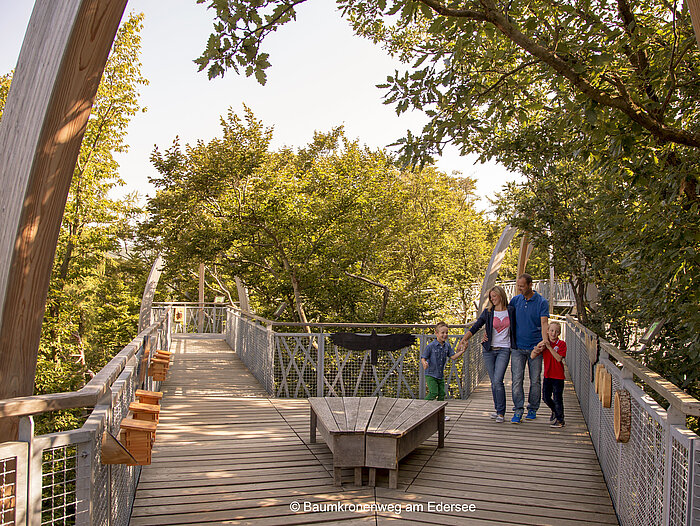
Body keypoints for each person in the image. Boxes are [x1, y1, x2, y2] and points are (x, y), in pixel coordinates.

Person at [456, 286, 515, 423]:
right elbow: (476, 326)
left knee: (497, 380)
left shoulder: (511, 310)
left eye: (494, 296)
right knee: (493, 382)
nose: (492, 299)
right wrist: (464, 339)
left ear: (501, 295)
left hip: (504, 349)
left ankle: (501, 412)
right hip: (489, 350)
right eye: (491, 297)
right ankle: (498, 409)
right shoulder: (488, 312)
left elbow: (520, 326)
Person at [509, 273, 550, 424]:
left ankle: (533, 408)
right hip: (518, 347)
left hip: (535, 348)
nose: (519, 289)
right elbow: (504, 318)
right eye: (518, 286)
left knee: (535, 380)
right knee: (516, 380)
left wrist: (544, 342)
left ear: (530, 285)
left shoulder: (541, 302)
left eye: (522, 286)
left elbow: (544, 323)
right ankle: (518, 410)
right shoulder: (515, 301)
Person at [421, 321, 466, 420]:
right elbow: (423, 357)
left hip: (440, 375)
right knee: (433, 393)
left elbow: (453, 357)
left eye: (446, 333)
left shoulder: (447, 346)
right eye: (442, 333)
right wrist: (424, 363)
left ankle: (440, 415)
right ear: (436, 333)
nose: (445, 335)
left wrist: (462, 351)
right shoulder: (431, 346)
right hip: (431, 374)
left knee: (442, 394)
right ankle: (421, 408)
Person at [531, 321, 567, 427]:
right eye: (551, 331)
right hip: (548, 375)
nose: (553, 333)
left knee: (557, 398)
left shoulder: (561, 344)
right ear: (547, 331)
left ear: (559, 333)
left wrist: (549, 347)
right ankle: (555, 411)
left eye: (556, 331)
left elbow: (559, 358)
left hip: (558, 376)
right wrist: (538, 349)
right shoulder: (544, 343)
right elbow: (532, 356)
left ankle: (560, 420)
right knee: (546, 397)